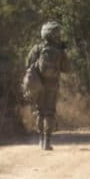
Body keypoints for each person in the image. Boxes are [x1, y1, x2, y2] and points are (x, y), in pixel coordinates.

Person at [26, 22, 71, 150]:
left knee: (40, 111)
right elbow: (67, 68)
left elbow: (27, 63)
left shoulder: (38, 48)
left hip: (39, 84)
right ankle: (47, 141)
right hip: (53, 84)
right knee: (50, 112)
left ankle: (40, 140)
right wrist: (63, 53)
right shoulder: (59, 51)